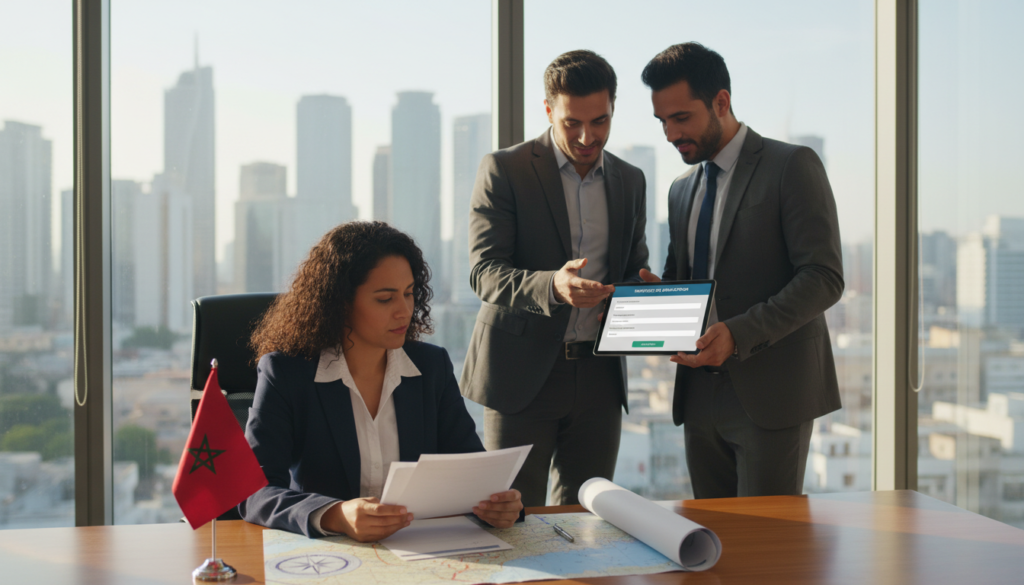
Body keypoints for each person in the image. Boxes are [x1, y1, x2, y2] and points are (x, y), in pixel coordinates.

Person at [639, 43, 844, 499]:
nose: (671, 134)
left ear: (721, 102)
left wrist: (739, 333)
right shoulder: (679, 190)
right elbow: (684, 280)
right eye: (663, 122)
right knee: (710, 543)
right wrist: (656, 298)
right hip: (697, 393)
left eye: (681, 118)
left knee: (767, 550)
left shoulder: (791, 166)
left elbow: (824, 276)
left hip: (771, 392)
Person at [239, 222, 523, 540]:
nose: (404, 311)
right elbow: (254, 492)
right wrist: (335, 515)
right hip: (330, 559)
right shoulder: (287, 373)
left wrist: (499, 504)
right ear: (341, 303)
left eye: (409, 293)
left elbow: (470, 470)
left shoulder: (431, 367)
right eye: (385, 299)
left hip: (420, 551)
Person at [461, 50, 650, 508]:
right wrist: (552, 286)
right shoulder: (504, 170)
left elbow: (632, 267)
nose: (588, 137)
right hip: (520, 375)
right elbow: (483, 271)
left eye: (600, 121)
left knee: (587, 516)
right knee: (511, 515)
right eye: (572, 123)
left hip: (601, 377)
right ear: (549, 111)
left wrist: (646, 291)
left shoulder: (630, 179)